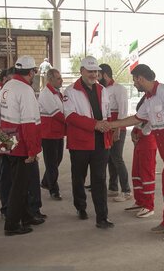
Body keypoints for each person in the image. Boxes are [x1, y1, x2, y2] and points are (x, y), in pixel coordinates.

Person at [108, 64, 164, 242]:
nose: (134, 84)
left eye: (135, 80)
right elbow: (137, 119)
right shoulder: (149, 99)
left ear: (141, 78)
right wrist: (111, 125)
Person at [64, 56, 114, 229]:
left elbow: (106, 114)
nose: (93, 74)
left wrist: (110, 130)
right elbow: (70, 116)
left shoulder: (103, 90)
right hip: (80, 144)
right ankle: (81, 206)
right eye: (90, 71)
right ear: (82, 71)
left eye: (95, 71)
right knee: (79, 177)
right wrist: (95, 124)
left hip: (101, 143)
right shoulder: (70, 91)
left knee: (100, 179)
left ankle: (102, 217)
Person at [0, 55, 44, 236]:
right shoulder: (25, 90)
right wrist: (32, 151)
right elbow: (28, 123)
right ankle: (12, 225)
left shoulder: (7, 86)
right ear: (31, 72)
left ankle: (26, 216)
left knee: (20, 183)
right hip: (21, 146)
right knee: (19, 187)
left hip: (9, 142)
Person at [99, 63, 132, 202]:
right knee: (110, 158)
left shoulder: (119, 89)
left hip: (117, 127)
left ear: (105, 75)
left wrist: (118, 129)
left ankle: (126, 191)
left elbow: (123, 110)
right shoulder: (101, 89)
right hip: (107, 126)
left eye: (99, 75)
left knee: (117, 158)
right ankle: (113, 188)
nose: (96, 77)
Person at [124, 96, 157, 218]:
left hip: (148, 145)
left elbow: (147, 129)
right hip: (139, 145)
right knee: (136, 173)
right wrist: (133, 133)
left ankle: (149, 206)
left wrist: (139, 132)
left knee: (147, 175)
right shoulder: (144, 106)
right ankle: (140, 201)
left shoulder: (154, 109)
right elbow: (137, 124)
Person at [38, 68, 66, 200]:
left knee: (57, 159)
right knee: (52, 163)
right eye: (58, 78)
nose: (61, 80)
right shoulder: (46, 94)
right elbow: (56, 114)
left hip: (58, 133)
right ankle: (53, 189)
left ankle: (45, 182)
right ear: (50, 79)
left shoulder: (57, 93)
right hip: (49, 134)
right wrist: (72, 122)